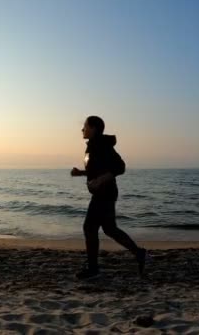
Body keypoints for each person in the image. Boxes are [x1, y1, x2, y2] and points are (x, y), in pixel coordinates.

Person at [71, 116, 147, 279]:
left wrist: (100, 180)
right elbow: (98, 169)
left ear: (93, 128)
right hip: (104, 193)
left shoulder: (101, 144)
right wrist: (81, 173)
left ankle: (93, 269)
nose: (82, 129)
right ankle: (139, 253)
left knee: (89, 228)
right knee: (110, 229)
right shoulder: (93, 146)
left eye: (85, 126)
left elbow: (120, 167)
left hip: (104, 194)